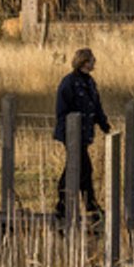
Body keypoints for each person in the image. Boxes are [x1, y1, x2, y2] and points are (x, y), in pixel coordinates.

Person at [52, 46, 111, 221]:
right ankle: (78, 205)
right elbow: (62, 111)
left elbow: (96, 107)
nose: (95, 63)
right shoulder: (69, 83)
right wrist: (68, 132)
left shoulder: (90, 82)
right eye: (92, 60)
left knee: (79, 168)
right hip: (71, 134)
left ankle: (76, 205)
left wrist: (104, 124)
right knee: (82, 168)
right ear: (85, 62)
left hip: (84, 134)